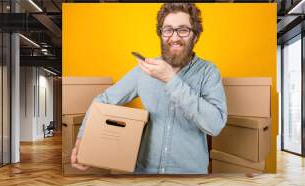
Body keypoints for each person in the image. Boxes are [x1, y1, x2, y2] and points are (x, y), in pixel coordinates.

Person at [71, 3, 227, 174]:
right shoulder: (144, 70)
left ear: (195, 36)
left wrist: (170, 79)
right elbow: (103, 101)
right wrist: (82, 138)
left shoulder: (208, 72)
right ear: (160, 34)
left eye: (183, 30)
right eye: (168, 30)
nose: (174, 37)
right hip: (145, 173)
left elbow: (215, 125)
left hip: (190, 176)